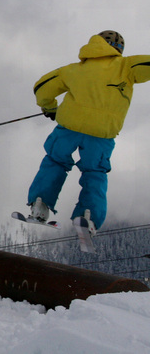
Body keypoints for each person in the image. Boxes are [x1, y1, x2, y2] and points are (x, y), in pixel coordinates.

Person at [26, 30, 150, 235]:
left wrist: (49, 108)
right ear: (119, 49)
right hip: (101, 133)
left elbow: (42, 87)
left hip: (69, 127)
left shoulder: (73, 70)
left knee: (55, 161)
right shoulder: (127, 66)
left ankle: (40, 203)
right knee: (95, 173)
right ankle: (88, 216)